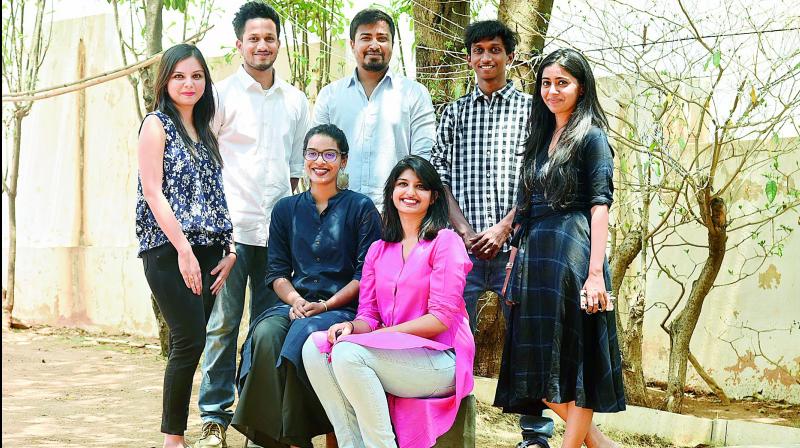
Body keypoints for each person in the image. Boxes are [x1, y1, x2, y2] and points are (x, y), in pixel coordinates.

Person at [430, 20, 557, 448]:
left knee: (524, 339)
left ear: (510, 56)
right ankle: (446, 430)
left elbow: (536, 178)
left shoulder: (532, 111)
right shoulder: (453, 113)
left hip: (515, 248)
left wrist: (505, 228)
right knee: (445, 337)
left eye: (495, 50)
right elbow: (439, 179)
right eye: (479, 50)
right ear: (469, 58)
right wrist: (464, 231)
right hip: (461, 250)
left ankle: (534, 435)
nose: (487, 58)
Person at [494, 48, 625, 448]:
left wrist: (594, 273)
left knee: (575, 361)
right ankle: (601, 444)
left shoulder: (592, 138)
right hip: (535, 258)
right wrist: (513, 264)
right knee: (535, 368)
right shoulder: (537, 139)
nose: (552, 91)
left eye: (562, 83)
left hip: (573, 256)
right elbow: (524, 208)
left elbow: (600, 206)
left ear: (581, 87)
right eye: (546, 83)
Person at [196, 3, 311, 447]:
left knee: (266, 329)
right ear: (239, 43)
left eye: (269, 37)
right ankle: (213, 416)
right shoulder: (220, 96)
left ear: (278, 42)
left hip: (277, 238)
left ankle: (255, 418)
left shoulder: (296, 101)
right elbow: (206, 161)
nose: (262, 45)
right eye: (253, 38)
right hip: (230, 235)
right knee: (222, 326)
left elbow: (298, 170)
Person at [303, 155, 475, 448]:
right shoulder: (378, 250)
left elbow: (440, 319)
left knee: (348, 355)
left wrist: (378, 337)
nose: (410, 192)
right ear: (391, 192)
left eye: (420, 186)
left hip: (442, 359)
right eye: (402, 184)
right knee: (315, 347)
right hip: (392, 354)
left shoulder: (445, 242)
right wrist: (350, 327)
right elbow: (368, 315)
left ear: (434, 197)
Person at [230, 125, 382, 448]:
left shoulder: (361, 208)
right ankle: (275, 440)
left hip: (341, 307)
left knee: (300, 339)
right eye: (312, 154)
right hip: (297, 303)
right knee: (266, 334)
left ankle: (295, 439)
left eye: (329, 155)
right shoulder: (286, 209)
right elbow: (277, 272)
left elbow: (365, 276)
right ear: (304, 159)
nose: (320, 162)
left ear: (343, 160)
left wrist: (325, 306)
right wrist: (296, 300)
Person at [135, 43, 235, 448]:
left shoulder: (205, 131)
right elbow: (153, 192)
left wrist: (229, 250)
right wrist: (184, 250)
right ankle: (172, 440)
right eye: (179, 76)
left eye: (196, 76)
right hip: (168, 249)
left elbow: (216, 195)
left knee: (196, 339)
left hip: (210, 251)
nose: (188, 83)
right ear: (166, 82)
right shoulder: (156, 125)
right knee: (189, 338)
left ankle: (177, 434)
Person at [312, 8, 436, 209]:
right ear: (353, 44)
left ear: (392, 45)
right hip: (339, 212)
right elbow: (317, 156)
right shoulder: (330, 95)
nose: (374, 45)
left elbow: (423, 157)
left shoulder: (414, 94)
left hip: (395, 212)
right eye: (366, 38)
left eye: (382, 38)